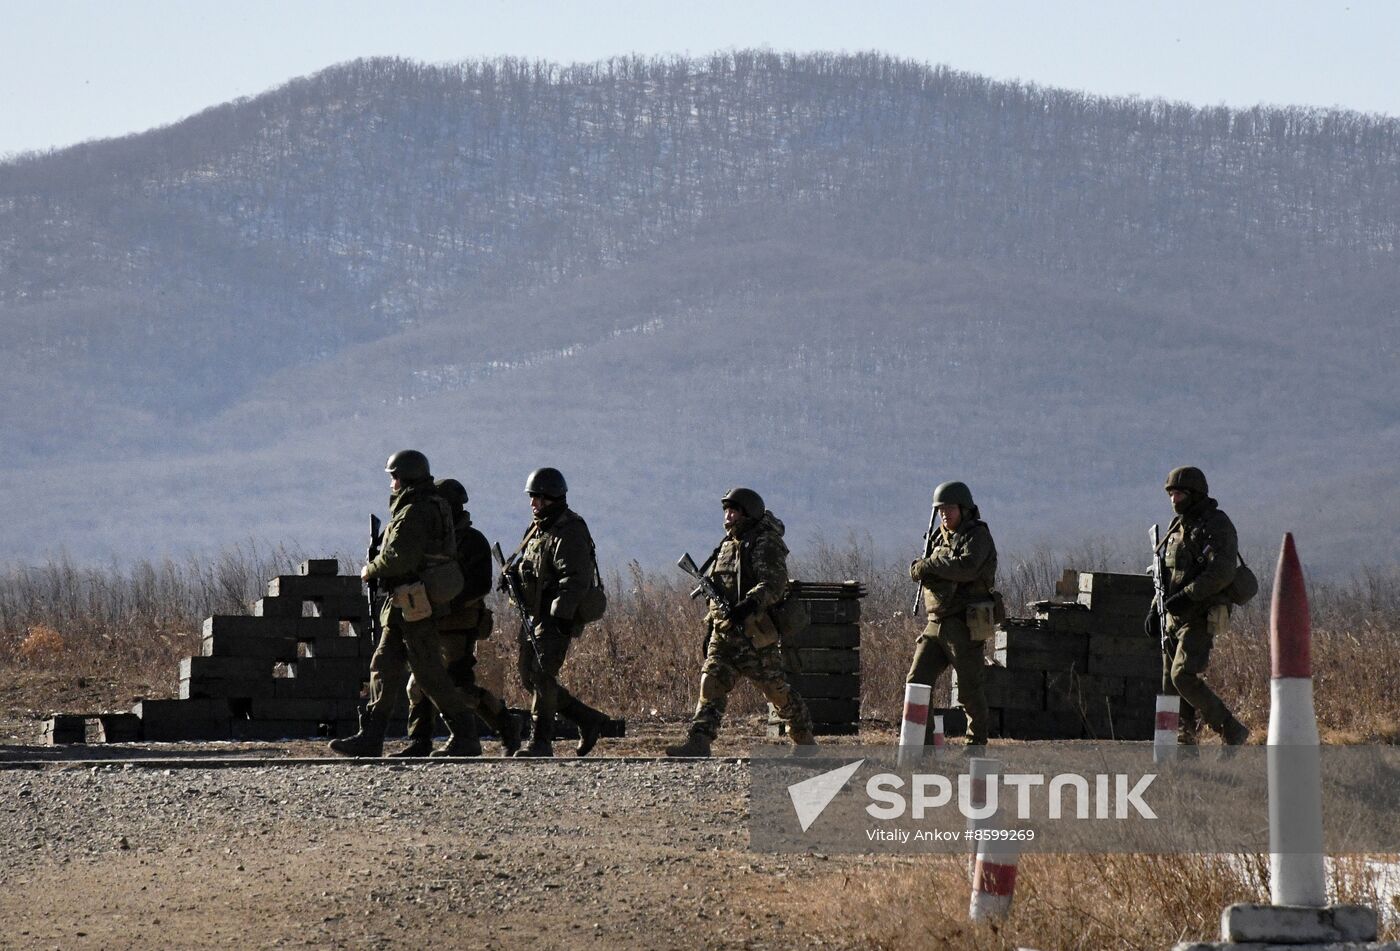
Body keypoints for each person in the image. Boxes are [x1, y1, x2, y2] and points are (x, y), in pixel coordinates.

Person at [328, 450, 485, 758]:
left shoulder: (415, 511)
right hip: (404, 606)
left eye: (394, 477)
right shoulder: (424, 506)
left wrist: (370, 569)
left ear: (405, 478)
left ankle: (466, 736)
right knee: (383, 666)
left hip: (413, 605)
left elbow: (400, 558)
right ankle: (371, 737)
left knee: (429, 674)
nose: (392, 484)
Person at [665, 487, 815, 757]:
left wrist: (749, 603)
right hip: (724, 634)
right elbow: (719, 586)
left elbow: (774, 583)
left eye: (733, 510)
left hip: (754, 635)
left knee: (776, 692)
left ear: (748, 513)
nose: (727, 516)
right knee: (710, 683)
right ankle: (699, 742)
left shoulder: (764, 542)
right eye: (726, 510)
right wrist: (712, 623)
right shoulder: (725, 545)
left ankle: (804, 741)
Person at [390, 478, 521, 757]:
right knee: (419, 684)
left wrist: (448, 604)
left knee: (457, 687)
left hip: (459, 624)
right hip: (430, 621)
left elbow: (479, 584)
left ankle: (506, 726)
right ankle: (420, 741)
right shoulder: (436, 540)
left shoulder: (472, 541)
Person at [500, 467, 611, 758]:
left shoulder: (569, 529)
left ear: (552, 497)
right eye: (531, 497)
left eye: (539, 497)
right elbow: (530, 566)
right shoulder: (537, 529)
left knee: (542, 675)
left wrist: (562, 616)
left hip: (556, 618)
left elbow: (574, 578)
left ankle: (541, 741)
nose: (533, 503)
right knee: (528, 675)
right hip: (535, 615)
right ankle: (587, 719)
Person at [1157, 466, 1250, 746]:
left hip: (1200, 614)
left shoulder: (1216, 525)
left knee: (1182, 676)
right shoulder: (1176, 529)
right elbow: (1163, 575)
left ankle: (1230, 729)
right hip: (1173, 617)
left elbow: (1223, 571)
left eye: (1180, 494)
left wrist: (1188, 595)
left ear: (1195, 494)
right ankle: (1180, 747)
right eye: (1171, 494)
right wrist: (1155, 608)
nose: (1174, 500)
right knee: (1169, 685)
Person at [906, 480, 998, 751]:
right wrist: (919, 568)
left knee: (969, 688)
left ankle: (975, 744)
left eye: (950, 509)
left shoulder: (977, 536)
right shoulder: (937, 537)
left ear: (963, 508)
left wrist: (930, 565)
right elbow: (920, 568)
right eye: (941, 510)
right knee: (917, 681)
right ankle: (924, 745)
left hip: (964, 622)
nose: (945, 514)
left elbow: (967, 568)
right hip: (936, 621)